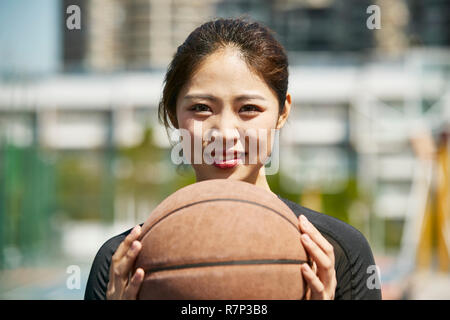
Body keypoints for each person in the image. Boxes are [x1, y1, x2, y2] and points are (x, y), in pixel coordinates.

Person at [85, 17, 382, 300]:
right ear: (173, 113)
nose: (225, 133)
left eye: (249, 108)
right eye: (201, 107)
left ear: (282, 112)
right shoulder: (121, 262)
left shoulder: (338, 253)